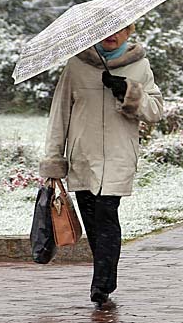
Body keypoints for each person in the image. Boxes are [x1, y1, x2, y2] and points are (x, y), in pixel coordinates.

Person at [39, 24, 163, 306]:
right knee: (93, 222)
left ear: (129, 32)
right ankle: (103, 274)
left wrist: (129, 92)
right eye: (107, 29)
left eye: (120, 29)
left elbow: (155, 111)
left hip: (119, 156)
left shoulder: (139, 65)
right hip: (84, 156)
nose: (113, 34)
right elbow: (59, 115)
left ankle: (102, 283)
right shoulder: (76, 66)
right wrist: (54, 161)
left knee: (107, 215)